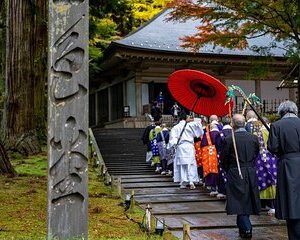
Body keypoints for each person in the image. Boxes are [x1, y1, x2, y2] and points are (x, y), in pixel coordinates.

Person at [220, 114, 261, 239]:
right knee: (244, 199)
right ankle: (242, 226)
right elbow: (256, 153)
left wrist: (229, 169)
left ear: (233, 124)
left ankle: (247, 228)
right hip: (248, 170)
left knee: (241, 201)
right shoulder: (253, 138)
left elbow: (223, 159)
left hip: (236, 171)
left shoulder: (229, 139)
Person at [267, 100, 300, 240]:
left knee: (290, 201)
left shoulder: (277, 125)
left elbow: (273, 148)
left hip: (287, 165)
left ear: (281, 112)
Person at [168, 111, 203, 189]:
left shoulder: (176, 127)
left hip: (180, 147)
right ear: (186, 118)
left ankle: (183, 181)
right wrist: (193, 119)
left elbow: (172, 140)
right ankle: (191, 181)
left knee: (182, 164)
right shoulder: (190, 125)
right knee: (191, 164)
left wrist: (174, 145)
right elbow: (199, 130)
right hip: (189, 146)